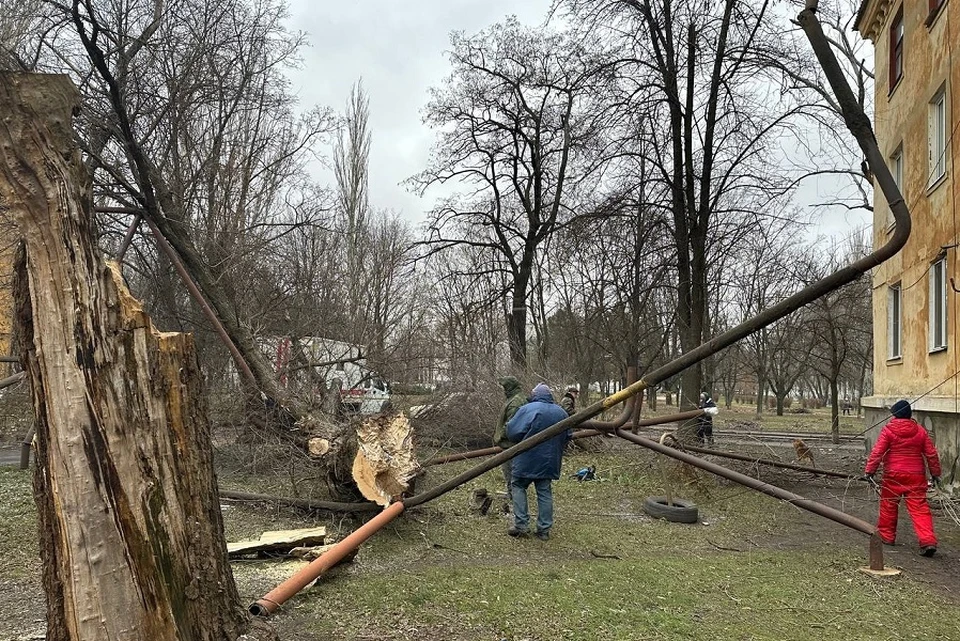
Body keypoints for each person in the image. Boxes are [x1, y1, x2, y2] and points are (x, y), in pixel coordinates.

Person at [864, 400, 941, 557]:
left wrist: (869, 471)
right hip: (916, 476)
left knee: (888, 505)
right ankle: (928, 541)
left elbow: (877, 452)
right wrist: (935, 473)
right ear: (909, 414)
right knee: (920, 509)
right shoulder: (920, 431)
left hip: (893, 475)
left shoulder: (888, 430)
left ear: (895, 414)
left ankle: (887, 536)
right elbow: (931, 453)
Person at [505, 383, 571, 541]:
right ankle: (544, 529)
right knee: (544, 492)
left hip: (526, 458)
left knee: (518, 486)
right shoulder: (561, 412)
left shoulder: (528, 409)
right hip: (549, 460)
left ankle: (521, 525)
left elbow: (512, 432)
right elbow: (568, 436)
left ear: (534, 395)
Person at [492, 376, 527, 496]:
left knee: (511, 472)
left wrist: (500, 435)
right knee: (510, 472)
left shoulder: (516, 401)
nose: (503, 390)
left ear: (510, 388)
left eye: (505, 387)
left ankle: (513, 495)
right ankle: (512, 493)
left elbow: (512, 424)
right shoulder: (515, 398)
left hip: (511, 444)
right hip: (511, 443)